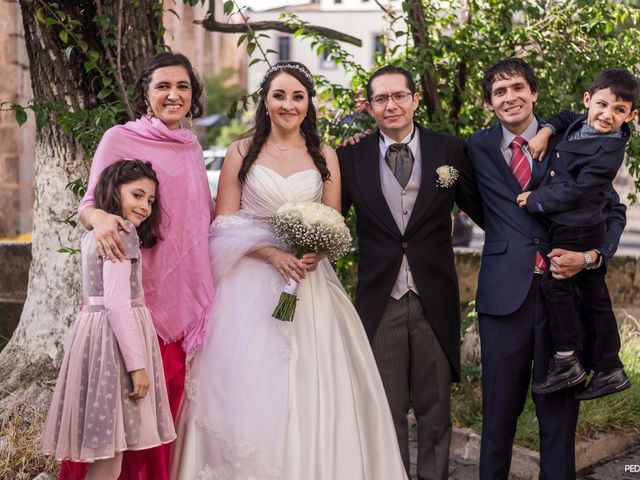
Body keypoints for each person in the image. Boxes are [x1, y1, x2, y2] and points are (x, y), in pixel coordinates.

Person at [170, 61, 407, 480]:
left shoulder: (324, 156)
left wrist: (316, 251)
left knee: (311, 385)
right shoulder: (241, 152)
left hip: (308, 286)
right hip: (249, 285)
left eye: (297, 97)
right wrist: (269, 253)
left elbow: (333, 221)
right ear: (265, 100)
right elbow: (223, 223)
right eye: (279, 95)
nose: (288, 104)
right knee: (245, 389)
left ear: (308, 103)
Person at [466, 58, 627, 480]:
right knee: (497, 422)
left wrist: (592, 257)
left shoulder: (576, 138)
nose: (510, 97)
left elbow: (614, 211)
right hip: (504, 301)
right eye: (499, 92)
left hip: (565, 297)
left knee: (558, 425)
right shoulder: (475, 148)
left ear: (534, 93)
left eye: (518, 87)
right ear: (490, 103)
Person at [63, 52, 214, 480]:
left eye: (182, 87)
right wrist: (101, 220)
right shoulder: (119, 138)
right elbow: (90, 204)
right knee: (121, 408)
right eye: (163, 86)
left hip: (182, 294)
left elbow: (198, 215)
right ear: (146, 95)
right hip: (132, 296)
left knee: (160, 407)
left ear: (193, 96)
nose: (173, 94)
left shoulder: (191, 146)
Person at [337, 65, 484, 480]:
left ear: (415, 99)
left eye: (399, 96)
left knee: (436, 407)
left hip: (433, 297)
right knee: (387, 405)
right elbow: (330, 220)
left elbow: (486, 210)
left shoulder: (450, 152)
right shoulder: (351, 156)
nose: (391, 105)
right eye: (381, 99)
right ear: (368, 107)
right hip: (380, 299)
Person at [41, 160, 176, 480]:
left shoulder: (96, 233)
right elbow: (117, 304)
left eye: (150, 200)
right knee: (111, 456)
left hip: (95, 335)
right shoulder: (122, 232)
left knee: (108, 452)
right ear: (115, 192)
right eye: (137, 195)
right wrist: (137, 365)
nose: (145, 206)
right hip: (114, 348)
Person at [516, 68, 638, 399]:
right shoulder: (578, 122)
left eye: (619, 111)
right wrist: (545, 132)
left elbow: (578, 192)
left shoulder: (608, 151)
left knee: (555, 285)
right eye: (602, 105)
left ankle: (567, 359)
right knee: (595, 296)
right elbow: (564, 115)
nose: (607, 115)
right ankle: (610, 367)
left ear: (631, 115)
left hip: (578, 225)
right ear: (588, 100)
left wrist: (536, 200)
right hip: (578, 223)